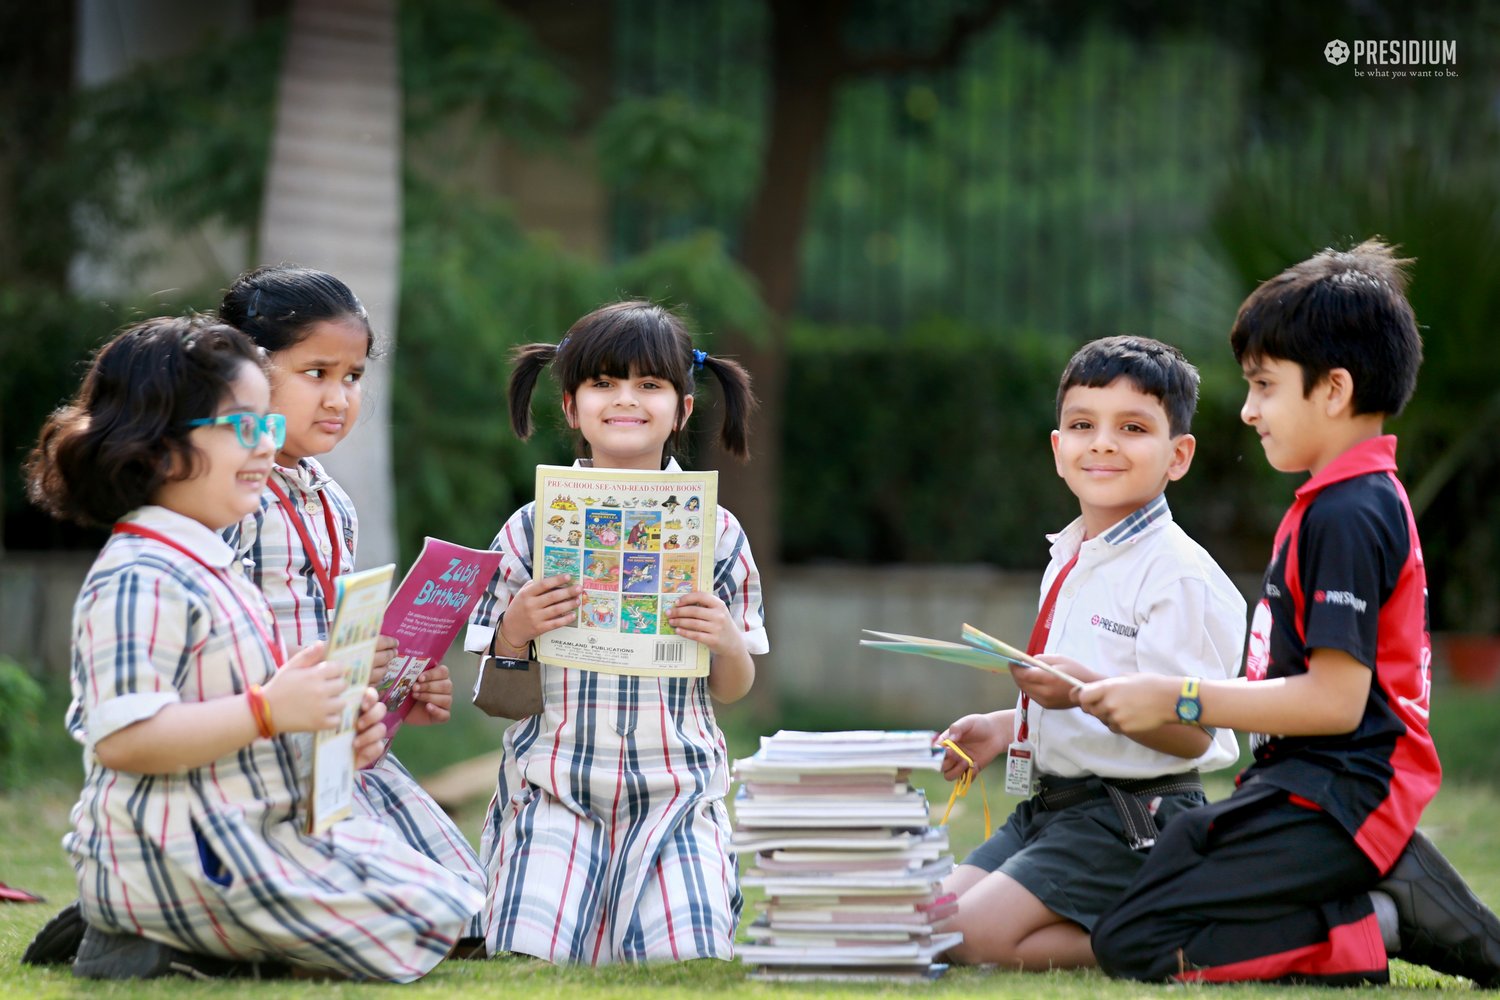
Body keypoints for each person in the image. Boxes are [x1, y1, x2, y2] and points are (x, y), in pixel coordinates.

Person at [1082, 240, 1500, 986]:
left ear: (1333, 390)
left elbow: (1338, 703)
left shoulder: (1349, 511)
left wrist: (1178, 696)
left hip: (1342, 792)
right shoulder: (1334, 502)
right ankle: (1374, 892)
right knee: (1170, 861)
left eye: (1265, 386)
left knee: (1136, 941)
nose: (1248, 411)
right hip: (1296, 784)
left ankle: (1378, 920)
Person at [22, 316, 482, 980]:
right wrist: (270, 709)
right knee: (407, 930)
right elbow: (123, 739)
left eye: (269, 424)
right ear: (156, 448)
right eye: (245, 427)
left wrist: (323, 730)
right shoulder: (138, 574)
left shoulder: (214, 567)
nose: (267, 447)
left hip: (248, 826)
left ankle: (193, 940)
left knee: (451, 905)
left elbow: (251, 721)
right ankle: (133, 926)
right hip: (175, 846)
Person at [464, 300, 766, 964]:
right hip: (553, 795)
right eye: (603, 383)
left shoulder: (717, 533)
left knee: (688, 961)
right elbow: (496, 698)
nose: (625, 400)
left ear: (684, 408)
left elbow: (735, 688)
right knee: (524, 957)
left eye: (649, 385)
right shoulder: (529, 529)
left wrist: (726, 641)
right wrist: (514, 634)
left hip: (677, 797)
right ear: (571, 407)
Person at [936, 335, 1245, 970]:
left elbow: (1194, 735)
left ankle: (1192, 946)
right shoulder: (1070, 554)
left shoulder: (1176, 573)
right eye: (1082, 425)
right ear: (1058, 449)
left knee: (970, 937)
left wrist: (1082, 693)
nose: (1102, 442)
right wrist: (1004, 727)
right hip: (1052, 807)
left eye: (1132, 427)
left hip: (1133, 814)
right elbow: (1071, 690)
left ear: (1177, 456)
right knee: (931, 924)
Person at [218, 266, 486, 931]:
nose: (339, 397)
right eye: (316, 373)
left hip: (341, 761)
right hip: (248, 756)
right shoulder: (221, 493)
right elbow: (212, 642)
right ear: (244, 374)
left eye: (353, 377)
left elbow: (336, 641)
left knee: (476, 911)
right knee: (406, 921)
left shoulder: (332, 502)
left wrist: (390, 689)